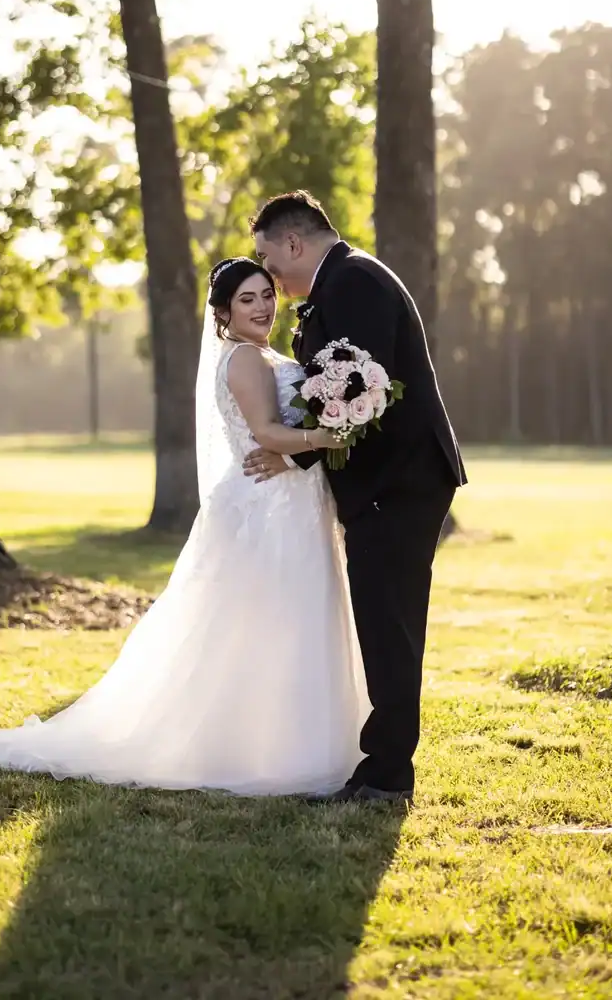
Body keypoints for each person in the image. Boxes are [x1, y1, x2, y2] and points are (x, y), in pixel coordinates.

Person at [0, 258, 369, 797]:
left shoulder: (264, 355)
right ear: (222, 313)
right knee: (266, 623)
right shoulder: (243, 361)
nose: (263, 306)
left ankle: (306, 740)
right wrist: (330, 437)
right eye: (247, 299)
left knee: (292, 620)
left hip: (291, 502)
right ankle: (268, 752)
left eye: (266, 294)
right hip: (269, 511)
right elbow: (265, 432)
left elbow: (280, 436)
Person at [246, 191, 466, 805]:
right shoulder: (340, 283)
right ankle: (381, 767)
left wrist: (293, 450)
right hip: (388, 480)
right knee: (384, 620)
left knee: (389, 622)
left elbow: (359, 391)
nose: (268, 272)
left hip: (398, 480)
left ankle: (386, 776)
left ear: (294, 242)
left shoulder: (354, 282)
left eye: (268, 255)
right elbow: (344, 388)